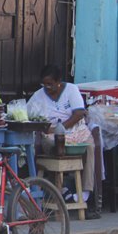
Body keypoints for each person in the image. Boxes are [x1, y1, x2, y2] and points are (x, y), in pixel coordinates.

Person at [26, 64, 97, 208]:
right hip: (50, 132)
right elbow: (28, 115)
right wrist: (51, 130)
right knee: (53, 147)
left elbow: (78, 114)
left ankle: (85, 192)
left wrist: (61, 128)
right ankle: (59, 186)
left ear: (59, 81)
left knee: (90, 146)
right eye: (44, 84)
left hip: (74, 129)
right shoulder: (38, 96)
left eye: (50, 84)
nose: (47, 87)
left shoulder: (71, 89)